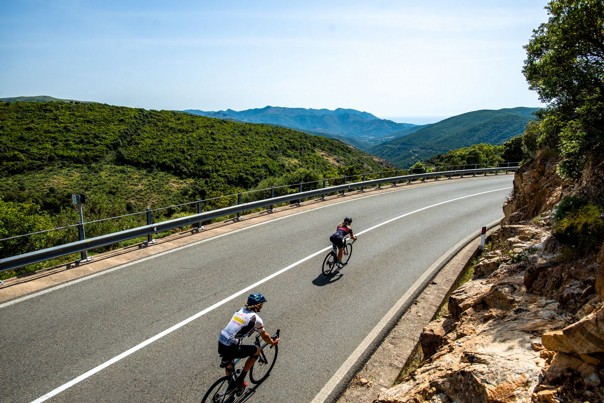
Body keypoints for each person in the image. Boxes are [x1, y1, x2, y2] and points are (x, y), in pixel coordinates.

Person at [217, 292, 280, 391]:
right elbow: (265, 336)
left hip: (221, 340)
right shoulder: (256, 319)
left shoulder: (239, 310)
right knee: (257, 350)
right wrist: (273, 342)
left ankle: (231, 385)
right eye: (261, 304)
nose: (262, 306)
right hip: (232, 345)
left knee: (230, 363)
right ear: (258, 305)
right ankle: (240, 380)